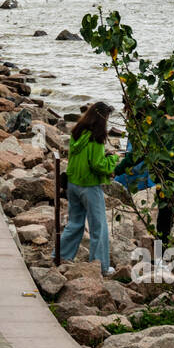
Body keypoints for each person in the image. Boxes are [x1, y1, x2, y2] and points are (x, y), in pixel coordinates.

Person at [59, 101, 119, 275]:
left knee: (74, 223)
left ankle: (62, 255)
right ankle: (101, 266)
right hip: (89, 187)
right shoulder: (97, 136)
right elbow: (98, 165)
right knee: (98, 227)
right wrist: (113, 159)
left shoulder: (77, 132)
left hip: (73, 184)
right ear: (103, 118)